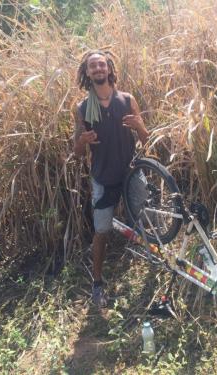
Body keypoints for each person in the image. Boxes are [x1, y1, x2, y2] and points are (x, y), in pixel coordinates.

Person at [73, 50, 149, 308]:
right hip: (103, 178)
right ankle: (97, 283)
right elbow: (78, 152)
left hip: (130, 173)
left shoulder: (126, 100)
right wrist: (82, 141)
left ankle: (153, 269)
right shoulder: (83, 108)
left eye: (101, 64)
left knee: (145, 219)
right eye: (92, 66)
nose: (97, 69)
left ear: (109, 69)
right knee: (102, 231)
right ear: (87, 72)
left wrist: (139, 126)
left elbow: (147, 139)